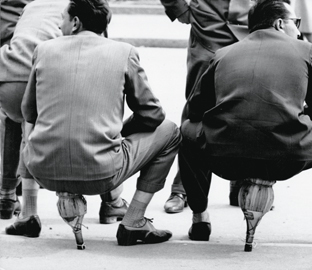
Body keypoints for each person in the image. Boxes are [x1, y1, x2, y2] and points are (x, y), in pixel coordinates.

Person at [178, 0, 312, 245]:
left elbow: (195, 111)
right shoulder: (306, 50)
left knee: (186, 133)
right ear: (280, 23)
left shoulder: (222, 54)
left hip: (226, 161)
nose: (298, 29)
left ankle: (199, 220)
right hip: (286, 159)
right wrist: (296, 113)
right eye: (296, 23)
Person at [7, 0, 181, 246]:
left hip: (43, 169)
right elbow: (153, 114)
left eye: (63, 19)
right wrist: (121, 131)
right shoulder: (124, 52)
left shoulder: (44, 50)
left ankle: (29, 213)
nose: (59, 24)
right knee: (171, 131)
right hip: (101, 173)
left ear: (75, 22)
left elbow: (29, 113)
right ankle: (134, 221)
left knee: (30, 128)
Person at [160, 0, 253, 213]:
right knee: (198, 108)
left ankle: (242, 177)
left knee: (248, 102)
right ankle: (183, 186)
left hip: (253, 24)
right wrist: (178, 7)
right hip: (208, 27)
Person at [0, 0, 68, 221]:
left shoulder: (33, 5)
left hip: (8, 71)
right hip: (40, 73)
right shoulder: (77, 5)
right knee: (81, 119)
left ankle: (6, 196)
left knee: (14, 121)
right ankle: (110, 201)